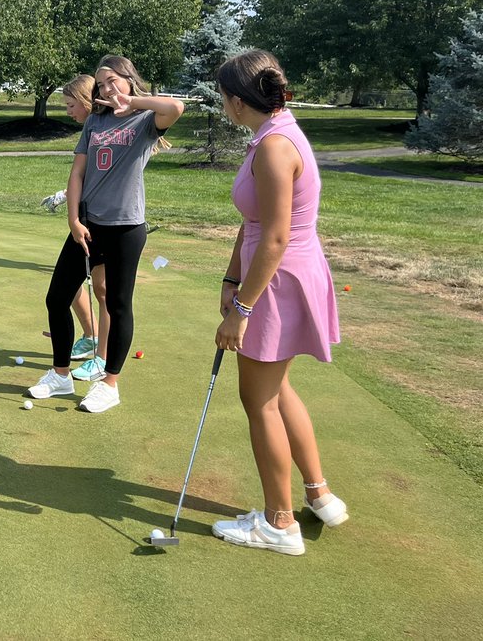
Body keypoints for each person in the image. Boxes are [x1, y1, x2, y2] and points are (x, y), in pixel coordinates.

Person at [209, 50, 346, 555]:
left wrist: (241, 310)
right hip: (278, 275)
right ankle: (319, 494)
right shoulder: (275, 129)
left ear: (238, 102)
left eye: (223, 98)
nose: (222, 106)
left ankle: (278, 523)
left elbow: (275, 238)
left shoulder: (273, 147)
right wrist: (229, 276)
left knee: (259, 399)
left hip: (278, 280)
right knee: (279, 386)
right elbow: (254, 225)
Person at [28, 56, 184, 412]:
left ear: (128, 79)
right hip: (89, 225)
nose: (107, 89)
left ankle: (109, 383)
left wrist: (132, 101)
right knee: (56, 298)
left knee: (117, 303)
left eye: (113, 81)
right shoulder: (95, 122)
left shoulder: (146, 120)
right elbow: (77, 172)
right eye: (101, 85)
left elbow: (176, 106)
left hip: (126, 227)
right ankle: (60, 376)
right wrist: (73, 220)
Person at [38, 76, 100, 362]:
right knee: (69, 287)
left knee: (102, 290)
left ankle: (99, 349)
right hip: (86, 217)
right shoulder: (90, 129)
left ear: (87, 101)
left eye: (71, 104)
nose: (68, 111)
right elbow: (84, 175)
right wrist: (66, 195)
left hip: (105, 221)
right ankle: (89, 336)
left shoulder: (102, 128)